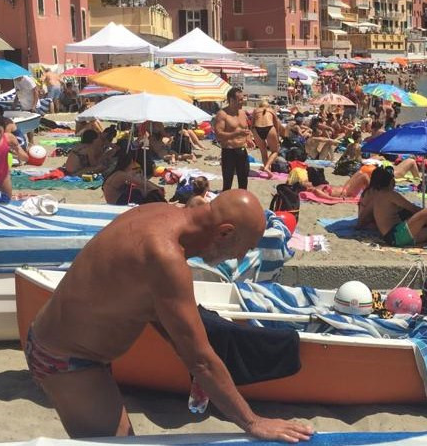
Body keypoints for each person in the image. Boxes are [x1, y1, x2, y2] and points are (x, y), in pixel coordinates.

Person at [26, 190, 314, 442]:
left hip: (66, 345)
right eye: (244, 249)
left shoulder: (156, 213)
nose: (239, 259)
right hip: (66, 361)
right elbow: (201, 360)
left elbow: (148, 305)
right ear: (224, 232)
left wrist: (193, 361)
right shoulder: (166, 256)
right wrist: (253, 422)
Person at [357, 166, 427, 251]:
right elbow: (412, 208)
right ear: (391, 182)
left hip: (391, 237)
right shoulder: (390, 194)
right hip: (395, 235)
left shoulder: (377, 195)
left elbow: (363, 217)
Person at [213, 88, 253, 191]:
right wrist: (236, 133)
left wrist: (248, 138)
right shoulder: (222, 114)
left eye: (242, 99)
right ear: (231, 100)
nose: (242, 101)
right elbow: (218, 135)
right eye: (240, 99)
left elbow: (246, 129)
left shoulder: (243, 113)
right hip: (228, 151)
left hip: (242, 150)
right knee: (227, 184)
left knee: (243, 182)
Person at [252, 98, 282, 172]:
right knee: (275, 151)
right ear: (268, 106)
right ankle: (267, 166)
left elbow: (252, 124)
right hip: (269, 127)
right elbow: (276, 124)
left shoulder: (255, 111)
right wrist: (277, 136)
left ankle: (267, 168)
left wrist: (252, 134)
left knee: (263, 151)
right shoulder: (271, 110)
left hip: (257, 129)